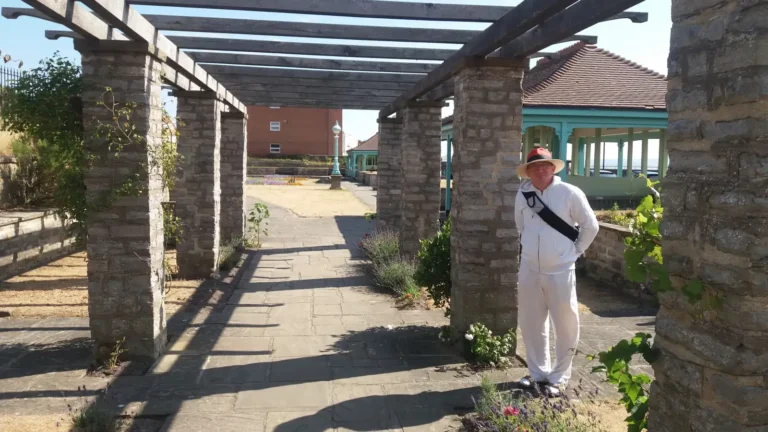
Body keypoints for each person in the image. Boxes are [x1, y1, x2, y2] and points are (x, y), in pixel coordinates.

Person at [514, 147, 599, 397]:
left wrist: (575, 252)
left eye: (545, 165)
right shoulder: (523, 193)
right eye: (535, 167)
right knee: (531, 323)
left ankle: (560, 376)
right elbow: (521, 227)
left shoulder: (569, 192)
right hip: (529, 268)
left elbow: (590, 226)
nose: (541, 170)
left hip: (561, 270)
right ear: (528, 171)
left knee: (565, 324)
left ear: (553, 168)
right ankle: (538, 373)